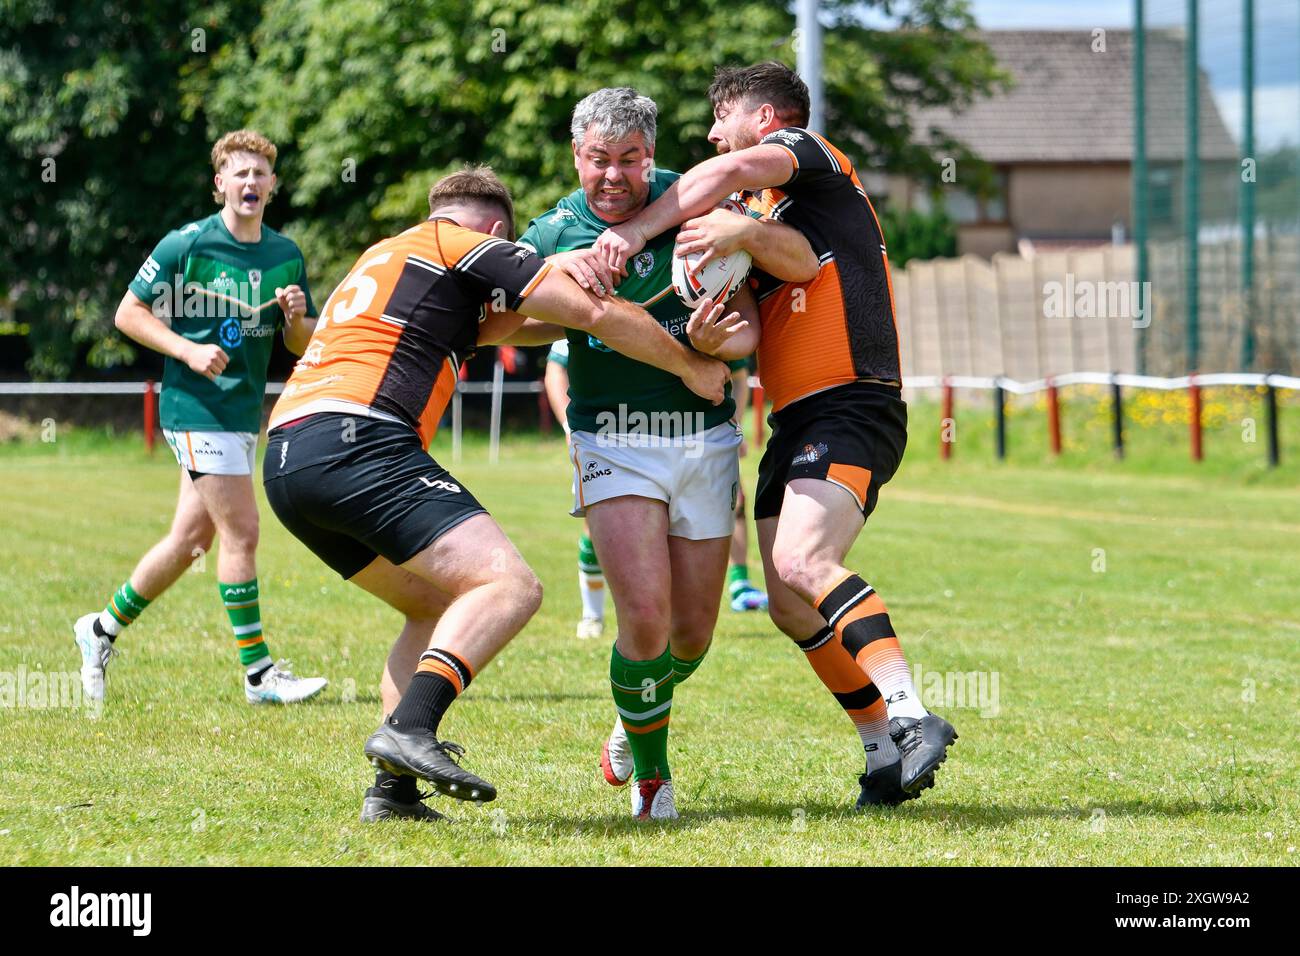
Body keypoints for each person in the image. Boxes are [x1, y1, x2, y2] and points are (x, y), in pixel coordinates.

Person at [261, 166, 728, 822]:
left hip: (286, 458)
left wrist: (567, 271)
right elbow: (588, 311)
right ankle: (411, 727)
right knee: (509, 586)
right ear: (499, 233)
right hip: (360, 440)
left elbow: (515, 323)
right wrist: (690, 365)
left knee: (431, 606)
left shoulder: (392, 252)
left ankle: (391, 792)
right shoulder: (467, 246)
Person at [590, 62, 958, 807]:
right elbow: (771, 295)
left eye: (718, 119)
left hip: (854, 402)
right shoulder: (775, 215)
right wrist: (706, 332)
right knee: (791, 604)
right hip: (794, 420)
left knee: (800, 558)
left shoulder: (811, 157)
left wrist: (631, 236)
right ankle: (883, 752)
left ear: (762, 121)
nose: (710, 136)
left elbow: (729, 174)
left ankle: (912, 714)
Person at [512, 87, 817, 820]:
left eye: (629, 160)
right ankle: (654, 782)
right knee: (645, 619)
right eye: (597, 161)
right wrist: (562, 281)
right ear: (575, 157)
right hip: (609, 440)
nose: (612, 176)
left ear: (650, 156)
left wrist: (719, 343)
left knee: (692, 633)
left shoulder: (701, 211)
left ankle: (632, 715)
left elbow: (746, 327)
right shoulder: (552, 230)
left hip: (704, 441)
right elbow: (510, 317)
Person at [73, 129, 327, 705]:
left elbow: (302, 340)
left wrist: (294, 317)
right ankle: (259, 676)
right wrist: (186, 350)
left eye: (260, 173)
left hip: (240, 411)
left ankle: (99, 630)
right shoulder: (185, 244)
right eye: (239, 173)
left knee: (190, 541)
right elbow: (127, 312)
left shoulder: (285, 253)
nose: (250, 182)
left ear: (273, 185)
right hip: (193, 408)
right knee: (244, 532)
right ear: (220, 185)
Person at [542, 340, 608, 639]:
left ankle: (666, 620)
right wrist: (569, 425)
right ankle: (592, 615)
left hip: (662, 431)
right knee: (597, 525)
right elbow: (556, 367)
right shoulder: (590, 298)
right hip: (600, 436)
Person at [725, 358, 768, 612]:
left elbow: (740, 378)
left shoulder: (719, 319)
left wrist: (735, 428)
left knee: (736, 502)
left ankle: (740, 585)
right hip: (661, 431)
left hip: (712, 433)